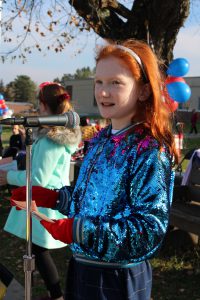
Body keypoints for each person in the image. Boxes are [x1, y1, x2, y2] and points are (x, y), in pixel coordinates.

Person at [11, 40, 178, 300]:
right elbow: (90, 199)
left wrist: (79, 230)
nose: (103, 92)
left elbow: (149, 228)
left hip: (118, 276)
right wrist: (54, 198)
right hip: (82, 267)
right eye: (99, 82)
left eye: (116, 82)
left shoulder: (149, 149)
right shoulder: (100, 142)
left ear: (143, 91)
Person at [0, 82, 81, 300]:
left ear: (44, 105)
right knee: (37, 250)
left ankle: (56, 296)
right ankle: (54, 294)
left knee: (39, 251)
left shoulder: (49, 141)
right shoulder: (54, 137)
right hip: (49, 200)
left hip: (44, 202)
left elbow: (38, 180)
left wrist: (8, 177)